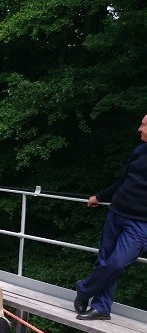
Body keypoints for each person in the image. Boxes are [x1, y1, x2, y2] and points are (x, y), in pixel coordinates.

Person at [75, 114, 147, 321]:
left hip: (141, 224)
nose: (139, 129)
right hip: (116, 213)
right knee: (104, 261)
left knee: (115, 263)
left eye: (143, 125)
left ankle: (84, 290)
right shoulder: (140, 151)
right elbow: (123, 180)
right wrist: (100, 197)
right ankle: (101, 307)